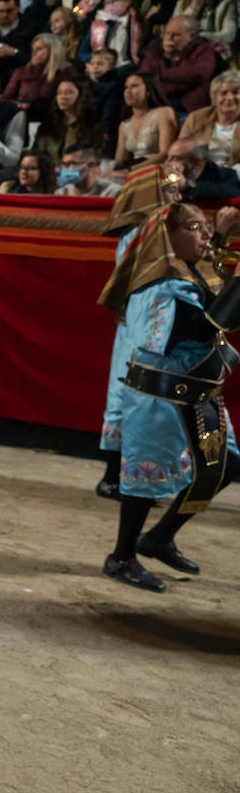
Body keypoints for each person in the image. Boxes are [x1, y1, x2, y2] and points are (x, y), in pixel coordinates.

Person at [96, 202, 239, 590]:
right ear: (168, 236)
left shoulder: (187, 272)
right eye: (195, 228)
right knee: (144, 482)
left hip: (196, 395)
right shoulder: (157, 283)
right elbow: (194, 330)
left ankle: (159, 538)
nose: (205, 236)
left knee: (223, 464)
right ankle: (121, 557)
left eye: (206, 227)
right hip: (159, 398)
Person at [94, 163, 185, 501]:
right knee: (129, 393)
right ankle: (115, 477)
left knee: (150, 396)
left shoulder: (163, 227)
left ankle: (140, 478)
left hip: (158, 319)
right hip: (142, 320)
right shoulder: (143, 231)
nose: (177, 197)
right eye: (170, 190)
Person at [139, 15, 220, 114]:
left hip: (187, 108)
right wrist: (182, 80)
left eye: (176, 34)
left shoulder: (203, 50)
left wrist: (161, 75)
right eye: (167, 33)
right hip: (157, 105)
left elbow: (199, 73)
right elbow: (147, 79)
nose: (169, 38)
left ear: (191, 37)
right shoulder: (154, 52)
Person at [3, 33, 80, 120]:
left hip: (55, 120)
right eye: (33, 49)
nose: (34, 53)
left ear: (53, 50)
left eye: (39, 49)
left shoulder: (66, 71)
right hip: (22, 118)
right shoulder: (22, 71)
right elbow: (5, 99)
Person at [115, 71, 179, 171]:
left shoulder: (163, 113)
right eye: (126, 87)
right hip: (134, 171)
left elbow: (165, 153)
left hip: (161, 170)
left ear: (148, 90)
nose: (128, 91)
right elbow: (119, 161)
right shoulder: (124, 125)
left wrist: (131, 170)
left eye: (134, 86)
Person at [33, 77, 107, 160]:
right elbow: (36, 154)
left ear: (81, 95)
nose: (62, 96)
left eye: (69, 92)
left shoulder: (92, 126)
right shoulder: (47, 126)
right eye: (59, 92)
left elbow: (97, 156)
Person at [178, 69, 240, 164]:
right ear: (214, 98)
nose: (229, 98)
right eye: (223, 93)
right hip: (199, 172)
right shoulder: (197, 118)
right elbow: (180, 149)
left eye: (235, 92)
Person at [172, 0, 238, 55]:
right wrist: (193, 8)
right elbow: (175, 31)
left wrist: (200, 36)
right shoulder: (182, 4)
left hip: (214, 54)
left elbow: (229, 35)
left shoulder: (226, 2)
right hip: (185, 54)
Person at [81, 0, 145, 67]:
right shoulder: (98, 25)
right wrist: (96, 60)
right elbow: (82, 52)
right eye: (106, 3)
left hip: (126, 68)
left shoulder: (136, 24)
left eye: (112, 1)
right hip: (101, 68)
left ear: (127, 1)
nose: (108, 6)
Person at [169, 135, 240, 196]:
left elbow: (233, 192)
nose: (168, 163)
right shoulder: (167, 176)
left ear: (198, 161)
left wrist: (188, 186)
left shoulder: (225, 175)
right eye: (168, 157)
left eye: (176, 158)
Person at [55, 143, 123, 194]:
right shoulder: (63, 193)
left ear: (91, 165)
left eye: (71, 163)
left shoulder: (112, 192)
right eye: (64, 164)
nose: (65, 169)